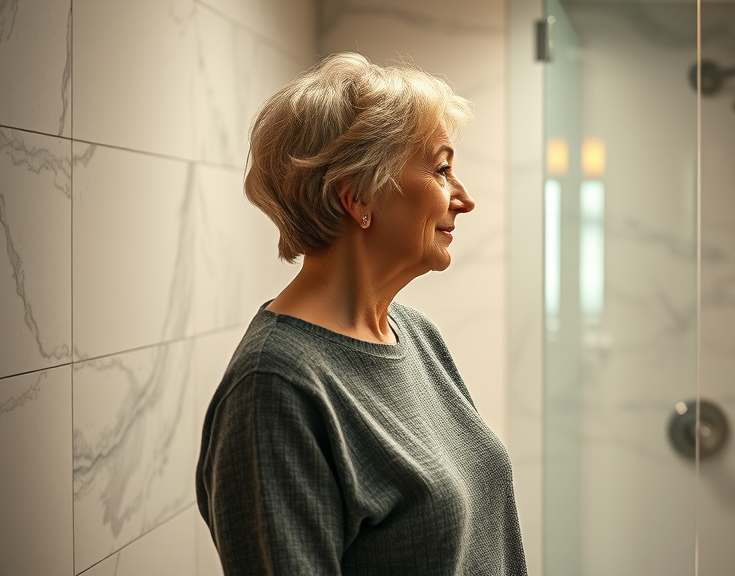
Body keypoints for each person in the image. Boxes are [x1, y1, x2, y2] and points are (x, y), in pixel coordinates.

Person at [195, 52, 528, 576]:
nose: (464, 199)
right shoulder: (276, 387)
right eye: (442, 169)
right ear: (356, 195)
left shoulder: (417, 336)